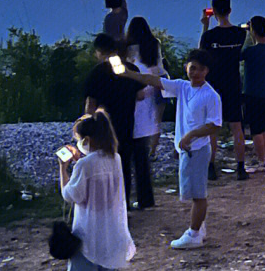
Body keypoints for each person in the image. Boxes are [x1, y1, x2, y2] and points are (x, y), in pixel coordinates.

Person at [119, 50, 222, 249]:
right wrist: (128, 73)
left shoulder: (210, 95)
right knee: (192, 193)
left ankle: (193, 233)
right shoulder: (183, 87)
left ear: (207, 71)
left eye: (200, 69)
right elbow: (153, 80)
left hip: (198, 149)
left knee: (198, 194)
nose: (196, 72)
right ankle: (199, 228)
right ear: (187, 67)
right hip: (187, 149)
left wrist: (190, 136)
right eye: (193, 68)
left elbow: (215, 125)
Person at [58, 110, 135, 271]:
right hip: (111, 230)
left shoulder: (84, 165)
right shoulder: (115, 158)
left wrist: (63, 170)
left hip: (87, 232)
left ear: (87, 139)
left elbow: (71, 195)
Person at [82, 34, 145, 209]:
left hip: (104, 128)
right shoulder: (131, 68)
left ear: (99, 51)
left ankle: (106, 206)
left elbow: (90, 104)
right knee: (123, 165)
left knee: (103, 167)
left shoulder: (96, 73)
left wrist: (87, 127)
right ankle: (123, 206)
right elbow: (141, 94)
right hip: (127, 124)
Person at [199, 0, 248, 181]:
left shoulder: (209, 36)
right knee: (237, 127)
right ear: (230, 10)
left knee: (213, 128)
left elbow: (201, 55)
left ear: (214, 10)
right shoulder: (240, 34)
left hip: (214, 85)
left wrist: (205, 25)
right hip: (234, 83)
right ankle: (241, 167)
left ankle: (211, 166)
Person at [122, 17, 166, 208]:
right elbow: (160, 69)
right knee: (141, 153)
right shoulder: (153, 45)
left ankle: (124, 198)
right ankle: (146, 197)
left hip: (131, 96)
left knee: (126, 154)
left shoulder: (126, 46)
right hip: (149, 93)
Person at [242, 16, 265, 172]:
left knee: (255, 128)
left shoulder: (251, 51)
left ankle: (261, 161)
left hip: (251, 92)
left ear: (253, 31)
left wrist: (245, 35)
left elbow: (239, 55)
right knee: (264, 126)